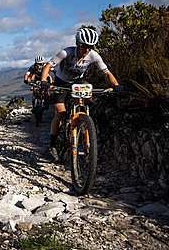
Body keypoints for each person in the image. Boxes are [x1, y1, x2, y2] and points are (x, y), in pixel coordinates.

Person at [39, 27, 124, 159]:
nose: (88, 50)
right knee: (60, 114)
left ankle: (84, 117)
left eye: (91, 47)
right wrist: (44, 80)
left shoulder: (93, 55)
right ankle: (53, 144)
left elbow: (106, 73)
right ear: (78, 44)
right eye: (85, 46)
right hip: (62, 82)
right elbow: (48, 66)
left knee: (87, 87)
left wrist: (116, 85)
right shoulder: (66, 52)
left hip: (78, 81)